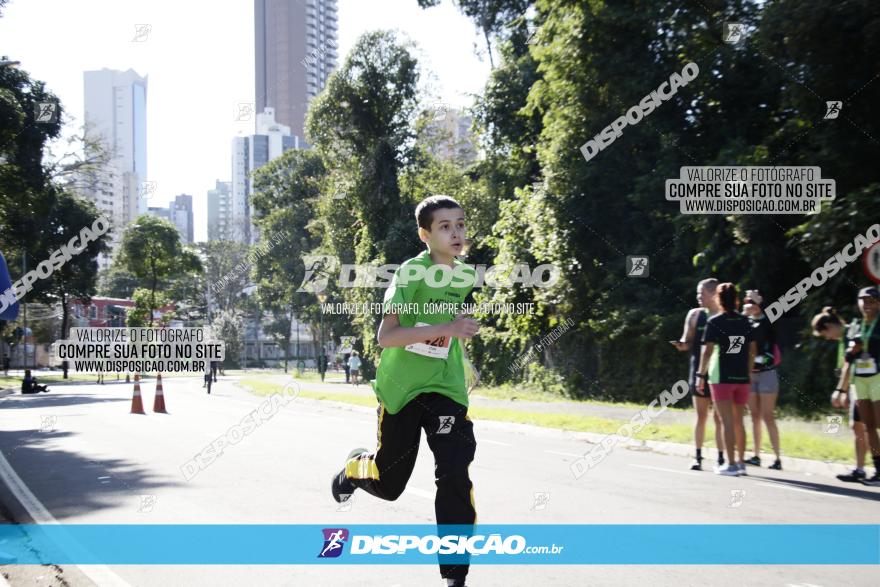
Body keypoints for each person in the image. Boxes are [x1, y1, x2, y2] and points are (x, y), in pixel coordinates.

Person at [330, 195, 479, 587]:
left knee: (454, 474)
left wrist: (458, 335)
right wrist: (445, 329)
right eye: (445, 226)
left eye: (460, 224)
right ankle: (354, 469)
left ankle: (455, 574)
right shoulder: (411, 273)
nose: (456, 232)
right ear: (424, 234)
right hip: (402, 389)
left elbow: (448, 324)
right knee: (390, 485)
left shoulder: (465, 275)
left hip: (446, 388)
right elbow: (387, 336)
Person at [696, 282, 756, 476]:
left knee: (726, 422)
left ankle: (730, 465)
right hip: (742, 377)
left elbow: (708, 351)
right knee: (740, 422)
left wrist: (700, 375)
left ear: (718, 299)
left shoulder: (714, 322)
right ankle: (741, 463)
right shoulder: (746, 322)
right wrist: (747, 372)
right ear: (737, 300)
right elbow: (753, 351)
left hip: (720, 376)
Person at [672, 277, 725, 470]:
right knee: (701, 416)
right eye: (697, 293)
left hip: (719, 372)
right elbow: (686, 342)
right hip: (698, 371)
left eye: (701, 293)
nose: (698, 297)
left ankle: (721, 459)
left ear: (713, 294)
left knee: (719, 418)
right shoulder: (694, 315)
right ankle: (698, 457)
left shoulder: (724, 315)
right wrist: (680, 344)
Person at [812, 306, 870, 482]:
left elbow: (849, 365)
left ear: (830, 325)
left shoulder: (850, 333)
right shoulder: (842, 338)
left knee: (868, 427)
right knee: (857, 427)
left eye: (825, 334)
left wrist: (840, 390)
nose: (827, 338)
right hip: (855, 386)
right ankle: (860, 469)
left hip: (865, 384)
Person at [838, 286, 880, 486]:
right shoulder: (856, 325)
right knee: (869, 426)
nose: (867, 304)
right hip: (860, 380)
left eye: (871, 300)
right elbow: (848, 358)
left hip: (878, 378)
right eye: (863, 300)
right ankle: (878, 470)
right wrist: (841, 389)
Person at [742, 290, 782, 470]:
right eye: (748, 302)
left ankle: (777, 458)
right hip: (751, 374)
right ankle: (756, 455)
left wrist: (762, 304)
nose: (751, 305)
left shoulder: (768, 321)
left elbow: (772, 317)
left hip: (767, 372)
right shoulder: (746, 322)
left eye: (754, 302)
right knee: (754, 416)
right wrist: (743, 314)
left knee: (768, 415)